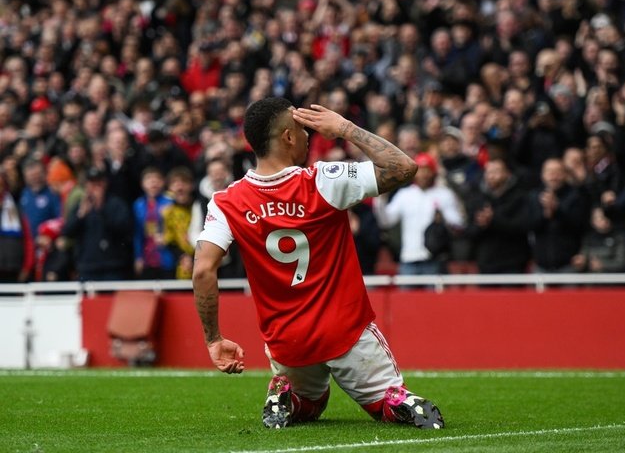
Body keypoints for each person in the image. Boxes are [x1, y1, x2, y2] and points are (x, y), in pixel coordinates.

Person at [192, 97, 444, 430]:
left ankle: (287, 395)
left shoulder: (227, 202)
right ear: (288, 137)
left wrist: (213, 339)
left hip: (288, 341)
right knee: (384, 402)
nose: (309, 134)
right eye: (303, 128)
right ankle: (397, 401)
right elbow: (404, 167)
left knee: (309, 406)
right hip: (345, 331)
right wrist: (345, 128)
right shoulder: (324, 180)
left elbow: (202, 270)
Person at [374, 152, 465, 275]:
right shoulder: (404, 194)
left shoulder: (444, 194)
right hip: (409, 257)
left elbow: (458, 223)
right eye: (420, 170)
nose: (423, 175)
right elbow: (386, 221)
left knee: (434, 295)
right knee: (406, 295)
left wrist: (443, 217)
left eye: (427, 170)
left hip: (434, 258)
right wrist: (380, 200)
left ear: (433, 172)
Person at [62, 167, 133, 281]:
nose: (94, 187)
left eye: (98, 183)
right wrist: (80, 216)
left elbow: (124, 230)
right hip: (87, 267)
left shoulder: (116, 204)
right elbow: (67, 232)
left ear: (104, 184)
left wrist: (101, 210)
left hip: (113, 266)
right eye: (91, 183)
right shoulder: (80, 206)